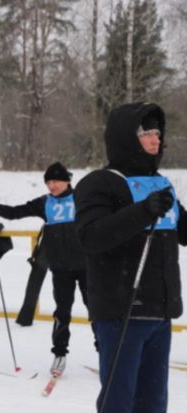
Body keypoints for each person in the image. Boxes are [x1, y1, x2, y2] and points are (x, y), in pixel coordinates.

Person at [75, 103, 185, 413]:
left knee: (153, 403)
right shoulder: (100, 182)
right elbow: (91, 237)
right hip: (121, 310)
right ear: (126, 137)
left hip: (158, 312)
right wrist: (142, 211)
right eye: (146, 132)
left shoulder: (162, 184)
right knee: (119, 402)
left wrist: (157, 207)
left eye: (157, 132)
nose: (155, 139)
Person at [0, 162, 90, 375]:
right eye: (49, 182)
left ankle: (106, 351)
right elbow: (13, 213)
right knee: (62, 312)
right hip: (61, 267)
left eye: (56, 181)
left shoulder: (81, 198)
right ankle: (59, 354)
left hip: (86, 266)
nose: (52, 186)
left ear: (67, 181)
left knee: (97, 310)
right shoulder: (44, 203)